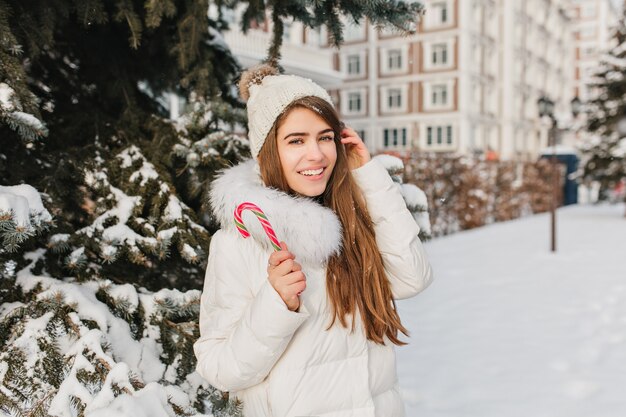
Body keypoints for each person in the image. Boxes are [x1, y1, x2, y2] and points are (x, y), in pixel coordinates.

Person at [193, 64, 433, 417]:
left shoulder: (351, 221)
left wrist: (367, 176)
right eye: (296, 141)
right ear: (266, 151)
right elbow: (220, 370)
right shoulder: (240, 241)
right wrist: (276, 304)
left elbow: (413, 277)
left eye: (325, 137)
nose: (317, 154)